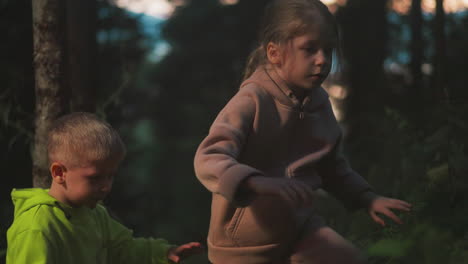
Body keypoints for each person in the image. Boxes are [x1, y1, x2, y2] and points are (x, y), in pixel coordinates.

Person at [193, 0, 412, 263]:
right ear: (275, 53)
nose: (322, 60)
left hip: (301, 230)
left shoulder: (319, 103)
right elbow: (208, 158)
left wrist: (367, 198)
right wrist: (252, 181)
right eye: (309, 49)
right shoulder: (252, 100)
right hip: (242, 247)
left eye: (328, 50)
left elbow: (331, 168)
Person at [6, 112, 203, 264]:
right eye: (95, 178)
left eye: (111, 176)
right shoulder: (37, 228)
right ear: (59, 173)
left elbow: (124, 249)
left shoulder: (96, 215)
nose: (106, 187)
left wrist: (164, 253)